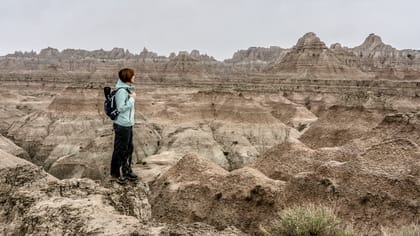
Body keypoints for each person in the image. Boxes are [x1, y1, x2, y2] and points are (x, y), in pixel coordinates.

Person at [110, 68, 138, 184]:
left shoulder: (127, 89)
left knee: (128, 149)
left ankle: (127, 171)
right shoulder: (122, 91)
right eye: (133, 75)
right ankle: (116, 174)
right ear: (128, 77)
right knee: (120, 150)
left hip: (128, 124)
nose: (134, 77)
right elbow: (121, 108)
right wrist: (132, 99)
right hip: (122, 125)